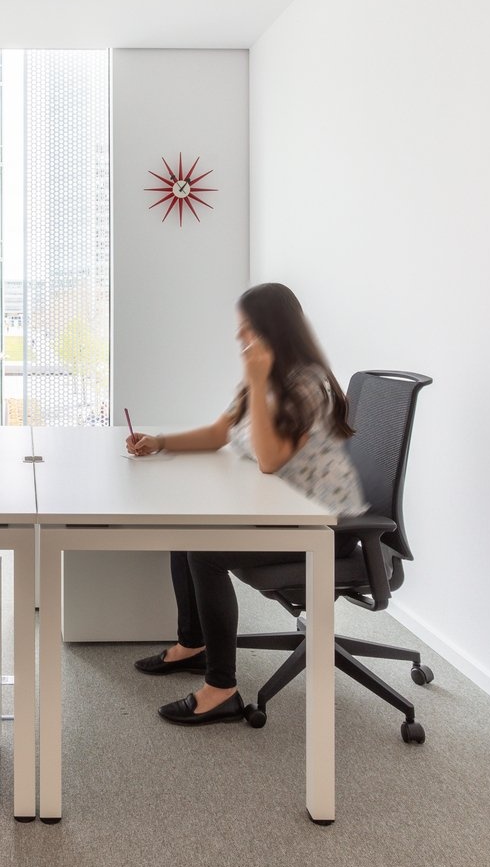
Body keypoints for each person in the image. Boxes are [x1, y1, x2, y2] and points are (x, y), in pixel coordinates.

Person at [124, 282, 369, 726]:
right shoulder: (267, 378)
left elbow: (271, 460)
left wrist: (257, 382)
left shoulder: (309, 385)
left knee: (206, 552)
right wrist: (159, 442)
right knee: (187, 528)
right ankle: (194, 645)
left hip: (322, 530)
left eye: (247, 329)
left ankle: (221, 690)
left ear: (272, 329)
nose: (240, 338)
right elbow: (220, 432)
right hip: (282, 513)